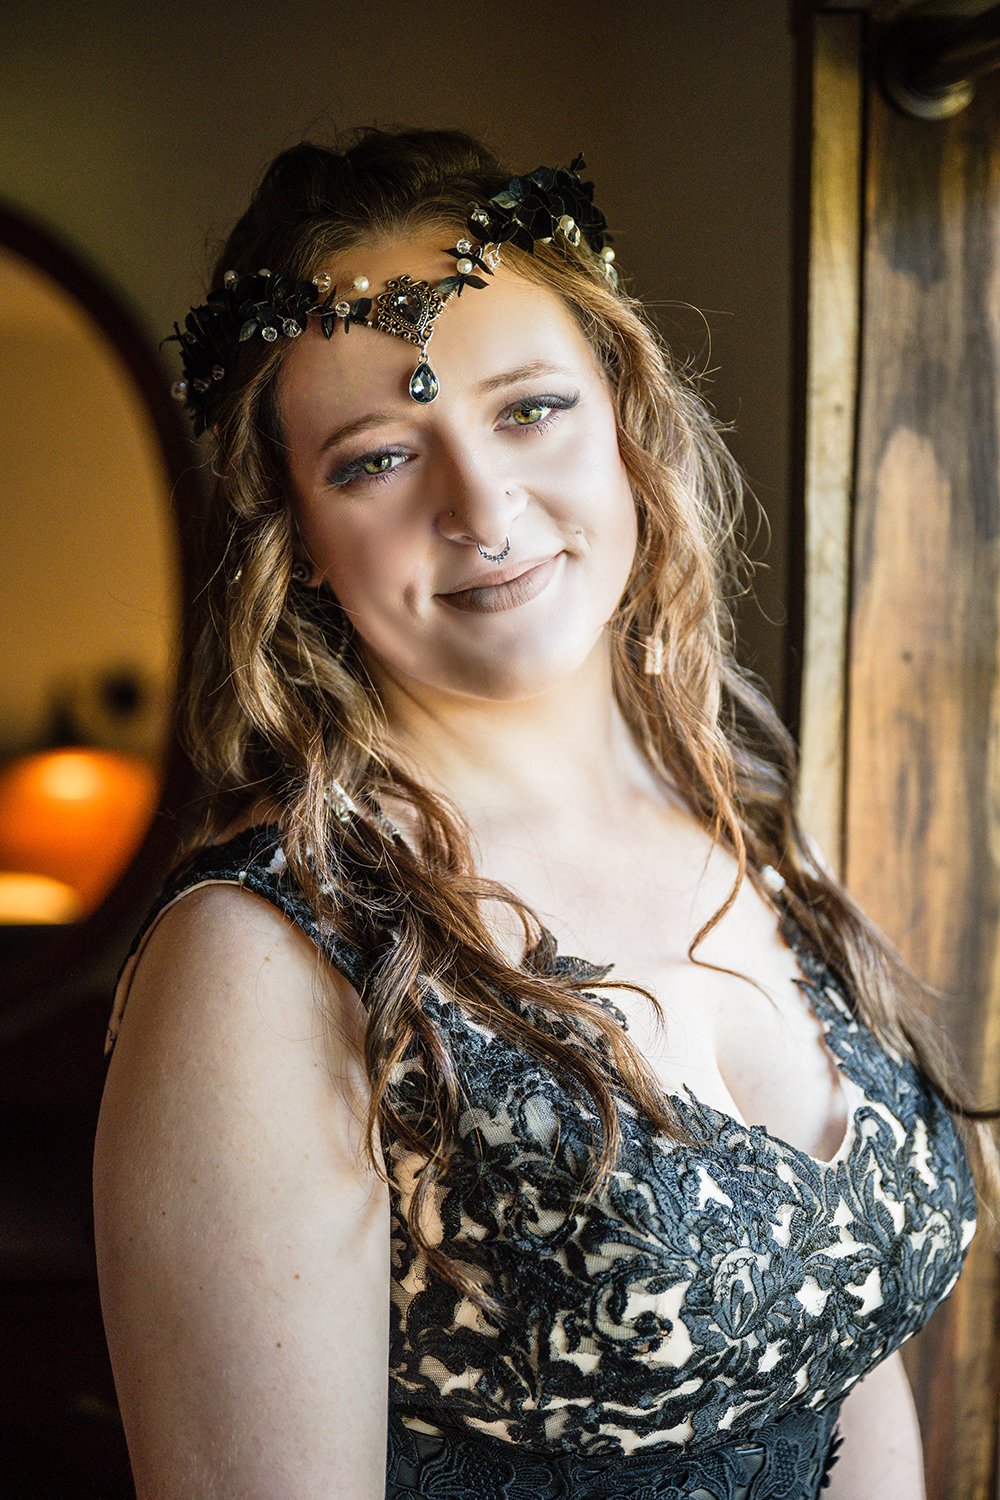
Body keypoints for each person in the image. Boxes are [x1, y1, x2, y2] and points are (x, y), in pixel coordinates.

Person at [93, 129, 992, 1500]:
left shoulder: (748, 828)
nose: (485, 506)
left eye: (528, 409)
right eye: (377, 460)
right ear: (301, 538)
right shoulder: (261, 964)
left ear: (624, 412)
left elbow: (844, 1353)